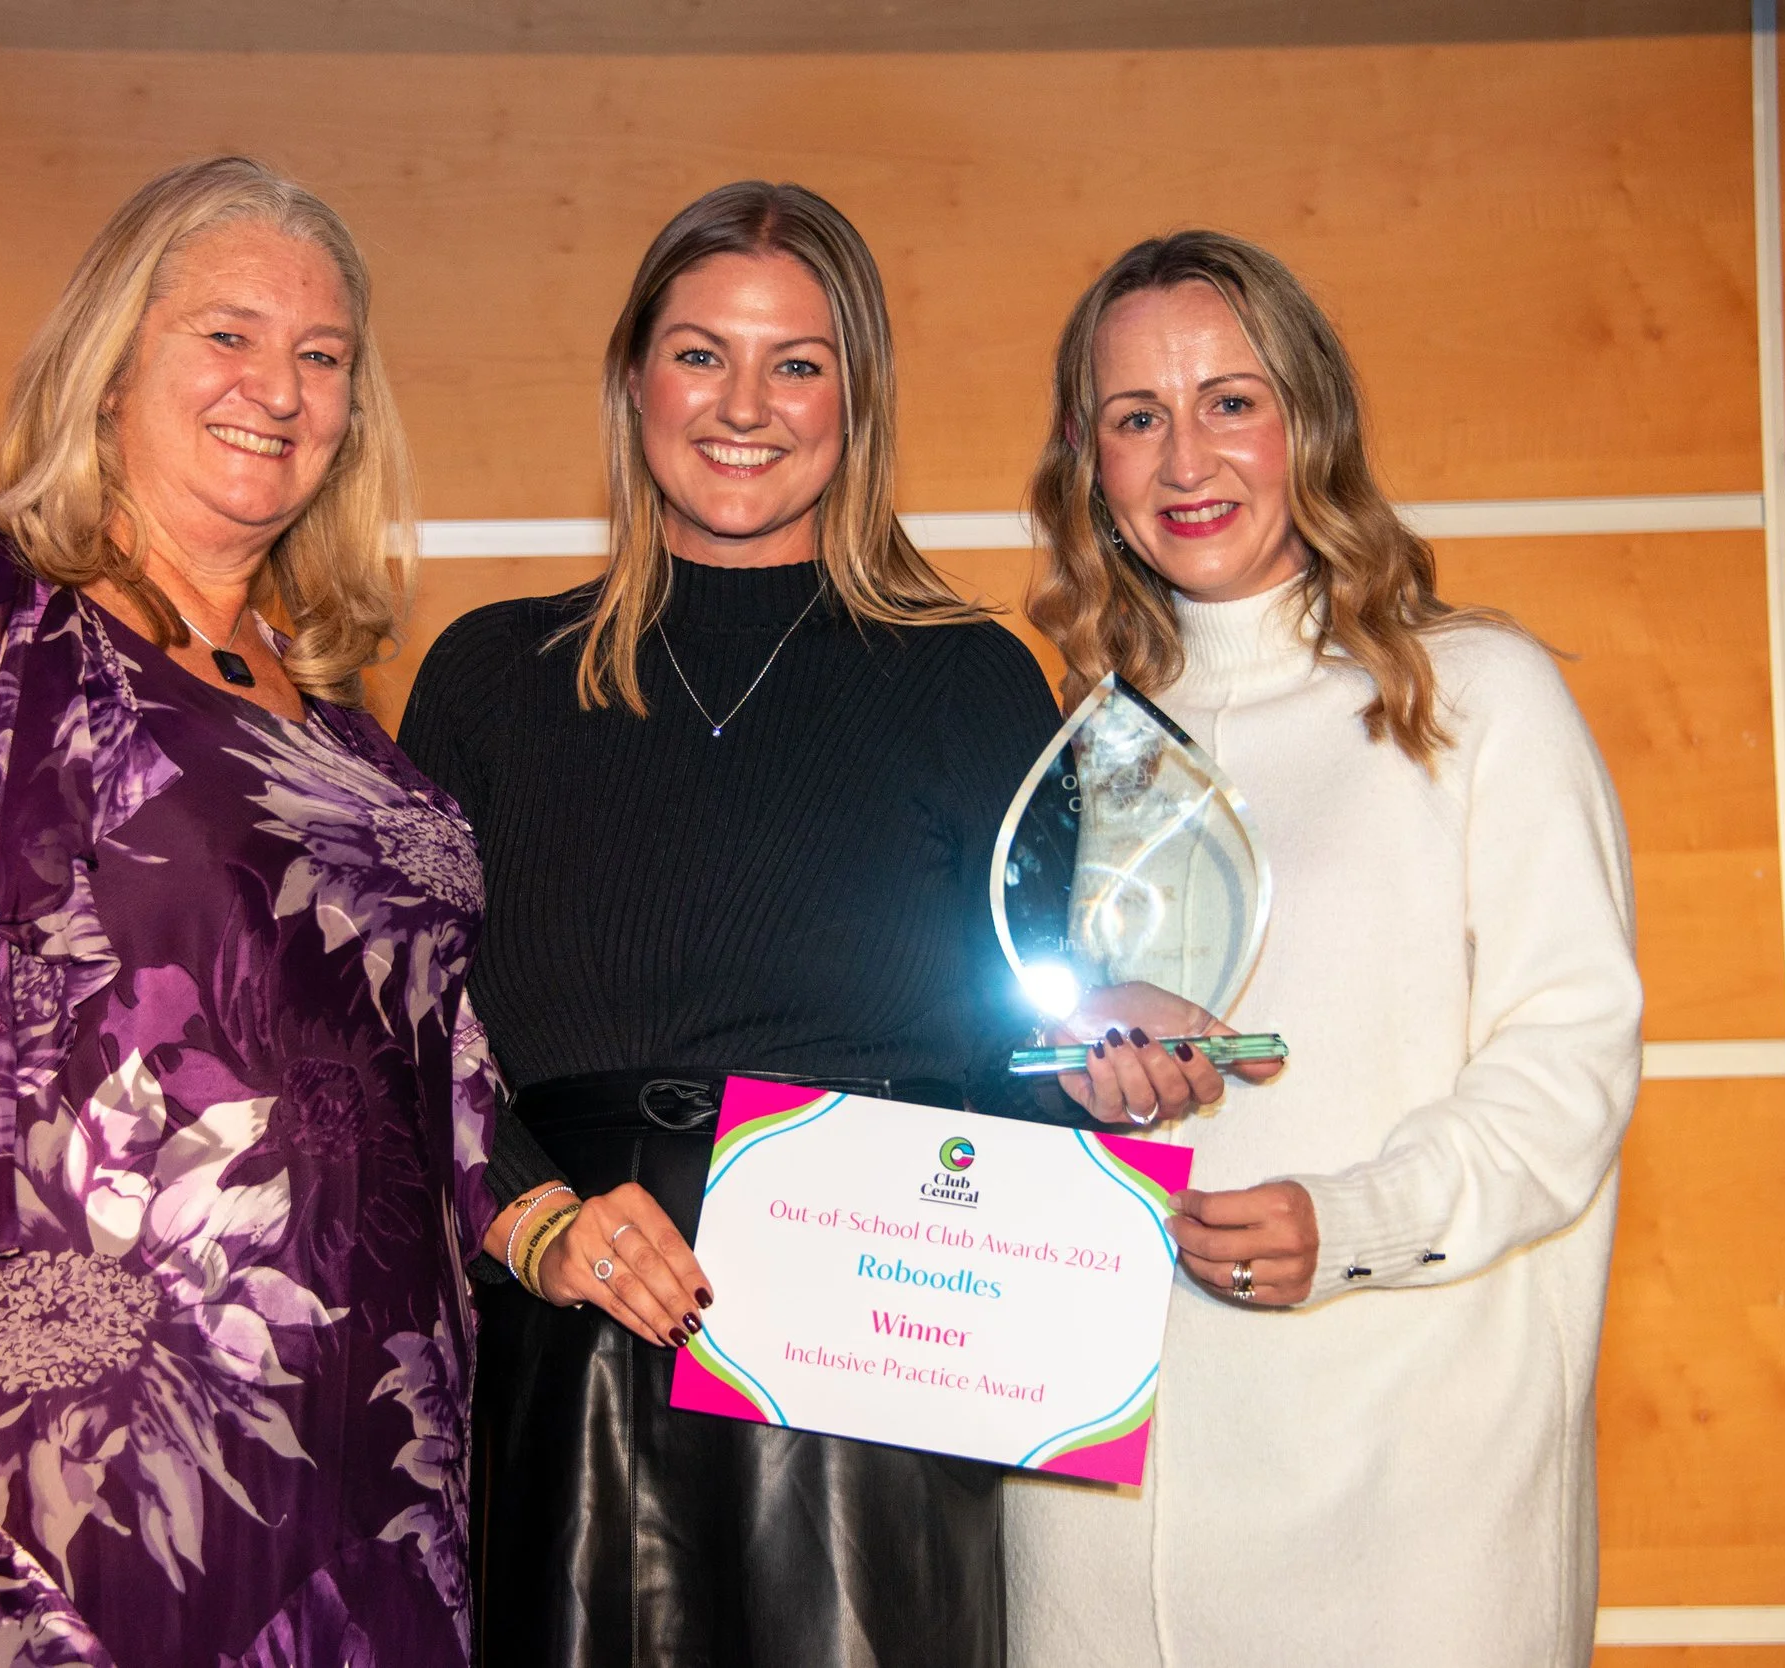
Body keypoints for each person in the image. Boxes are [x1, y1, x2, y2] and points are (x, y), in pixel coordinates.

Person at [0, 156, 499, 1666]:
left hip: (373, 1486)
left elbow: (440, 1080)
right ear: (111, 365)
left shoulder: (340, 722)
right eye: (227, 334)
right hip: (38, 1474)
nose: (279, 389)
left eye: (323, 358)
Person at [399, 181, 1221, 1668]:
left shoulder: (972, 681)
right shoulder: (487, 676)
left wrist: (1099, 1056)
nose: (745, 406)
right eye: (700, 354)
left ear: (859, 399)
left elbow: (1013, 1048)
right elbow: (410, 1028)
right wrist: (534, 1215)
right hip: (566, 1350)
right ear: (632, 379)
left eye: (798, 363)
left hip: (875, 1388)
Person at [998, 230, 1646, 1665]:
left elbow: (1570, 1064)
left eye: (1230, 402)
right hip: (1098, 1513)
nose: (1186, 460)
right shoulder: (1065, 755)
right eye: (1135, 417)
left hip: (1413, 1499)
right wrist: (1064, 1071)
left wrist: (1352, 1224)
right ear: (1086, 463)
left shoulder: (1473, 697)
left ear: (1313, 420)